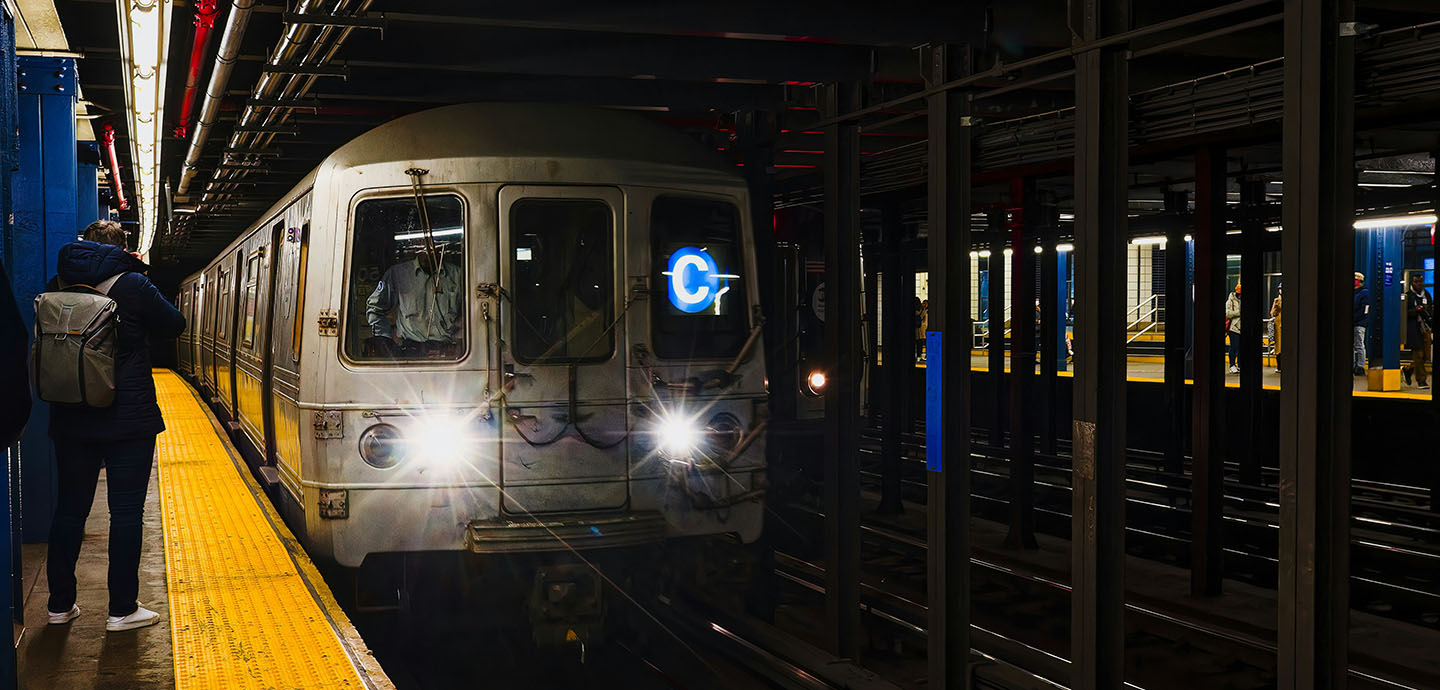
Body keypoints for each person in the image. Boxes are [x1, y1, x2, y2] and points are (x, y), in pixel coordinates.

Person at [44, 220, 186, 632]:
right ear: (123, 248)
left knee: (70, 511)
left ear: (84, 245)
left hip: (71, 417)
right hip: (127, 420)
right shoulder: (133, 285)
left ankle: (59, 605)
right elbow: (175, 325)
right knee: (126, 513)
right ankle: (121, 610)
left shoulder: (59, 282)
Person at [365, 247, 463, 358]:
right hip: (411, 352)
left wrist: (459, 344)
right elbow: (375, 309)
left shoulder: (457, 275)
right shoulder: (398, 274)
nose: (430, 247)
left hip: (448, 354)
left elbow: (469, 314)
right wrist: (385, 341)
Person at [1400, 272, 1433, 389]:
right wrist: (1416, 310)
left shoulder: (1427, 295)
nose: (1419, 284)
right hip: (1414, 329)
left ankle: (1408, 369)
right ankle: (1421, 380)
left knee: (1426, 355)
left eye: (1420, 281)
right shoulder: (1408, 296)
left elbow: (1430, 310)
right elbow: (1404, 313)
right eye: (1416, 282)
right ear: (1412, 282)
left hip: (1426, 328)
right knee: (1418, 354)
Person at [1353, 272, 1370, 376]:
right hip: (1355, 321)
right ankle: (1355, 364)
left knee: (1359, 344)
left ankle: (1360, 366)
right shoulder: (1355, 293)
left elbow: (1364, 310)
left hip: (1360, 322)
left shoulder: (1364, 293)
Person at [1225, 283, 1242, 374]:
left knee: (1241, 348)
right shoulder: (1230, 301)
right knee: (1234, 347)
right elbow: (1227, 313)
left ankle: (1239, 364)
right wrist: (1238, 312)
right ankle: (1232, 365)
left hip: (1242, 328)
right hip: (1233, 328)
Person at [1270, 285, 1282, 374]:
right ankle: (1279, 366)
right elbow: (1272, 313)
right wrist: (1276, 309)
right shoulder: (1276, 300)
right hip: (1278, 326)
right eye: (1280, 289)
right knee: (1278, 347)